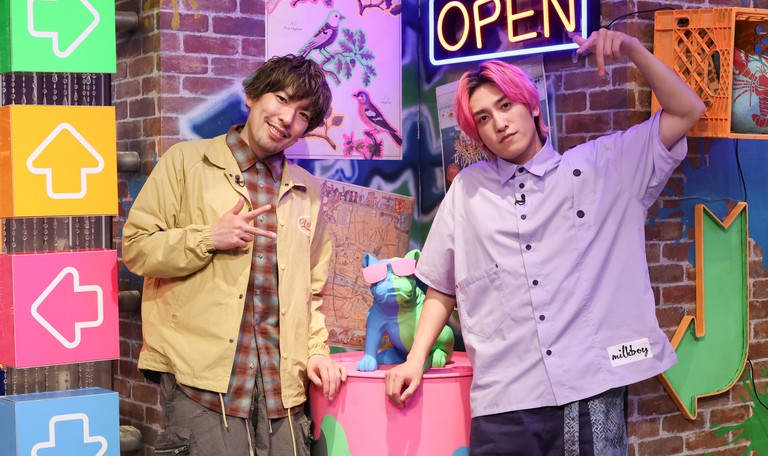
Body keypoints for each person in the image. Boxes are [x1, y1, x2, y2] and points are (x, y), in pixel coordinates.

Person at [384, 29, 705, 455]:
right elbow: (442, 286)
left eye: (506, 105)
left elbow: (687, 110)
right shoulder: (467, 190)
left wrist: (632, 49)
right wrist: (415, 359)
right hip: (504, 399)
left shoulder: (602, 167)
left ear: (532, 105)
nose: (499, 123)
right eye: (483, 118)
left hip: (589, 389)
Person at [122, 54, 347, 456]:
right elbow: (137, 248)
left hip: (282, 392)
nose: (286, 118)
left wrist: (316, 352)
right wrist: (208, 237)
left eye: (302, 114)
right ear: (253, 96)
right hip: (203, 387)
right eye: (281, 99)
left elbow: (311, 292)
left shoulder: (307, 191)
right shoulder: (186, 162)